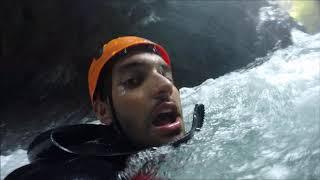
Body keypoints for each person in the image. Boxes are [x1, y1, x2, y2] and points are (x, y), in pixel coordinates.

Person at [5, 36, 204, 180]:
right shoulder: (96, 169)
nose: (165, 86)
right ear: (103, 111)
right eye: (134, 80)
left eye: (166, 75)